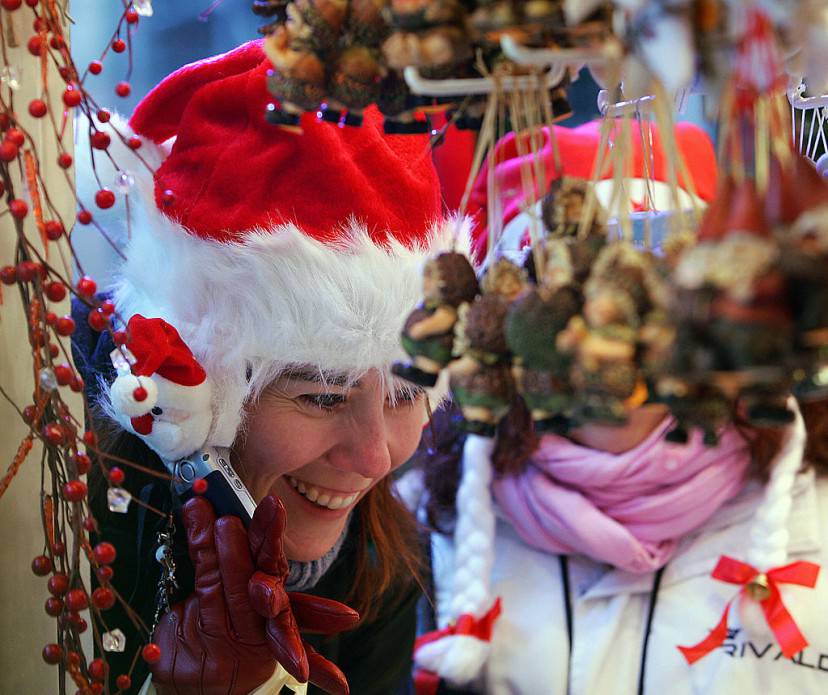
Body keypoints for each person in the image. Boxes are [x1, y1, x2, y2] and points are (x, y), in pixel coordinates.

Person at [72, 39, 458, 695]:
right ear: (197, 384)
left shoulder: (386, 562)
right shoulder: (67, 511)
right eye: (323, 396)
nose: (375, 456)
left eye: (406, 391)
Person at [403, 122, 828, 695]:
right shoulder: (427, 518)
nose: (611, 364)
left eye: (648, 315)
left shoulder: (810, 501)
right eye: (561, 320)